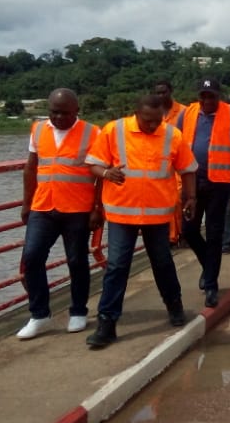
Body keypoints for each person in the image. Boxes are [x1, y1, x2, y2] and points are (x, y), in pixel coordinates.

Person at [83, 94, 197, 348]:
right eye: (148, 121)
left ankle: (174, 306)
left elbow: (187, 168)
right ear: (136, 114)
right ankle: (107, 323)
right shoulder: (115, 130)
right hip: (122, 213)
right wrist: (107, 173)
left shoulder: (172, 135)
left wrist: (191, 198)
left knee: (163, 262)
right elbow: (93, 165)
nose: (153, 126)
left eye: (157, 121)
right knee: (117, 266)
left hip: (157, 213)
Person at [17, 88, 103, 339]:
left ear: (76, 110)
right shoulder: (38, 130)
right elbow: (30, 168)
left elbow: (101, 175)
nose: (59, 118)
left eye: (65, 113)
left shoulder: (92, 132)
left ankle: (78, 311)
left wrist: (97, 208)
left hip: (77, 208)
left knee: (76, 261)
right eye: (54, 112)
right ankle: (39, 314)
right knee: (32, 258)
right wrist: (26, 203)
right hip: (43, 206)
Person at [175, 78, 230, 308]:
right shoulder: (186, 114)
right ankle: (209, 266)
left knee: (216, 234)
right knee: (188, 230)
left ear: (219, 96)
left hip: (219, 183)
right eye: (203, 95)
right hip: (191, 183)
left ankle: (211, 285)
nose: (207, 100)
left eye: (211, 96)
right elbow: (175, 146)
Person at [153, 80, 186, 244]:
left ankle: (177, 235)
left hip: (178, 162)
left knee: (177, 198)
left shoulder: (183, 112)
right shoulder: (152, 113)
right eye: (157, 93)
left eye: (163, 92)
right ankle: (171, 236)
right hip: (158, 165)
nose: (160, 96)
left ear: (170, 91)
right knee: (162, 199)